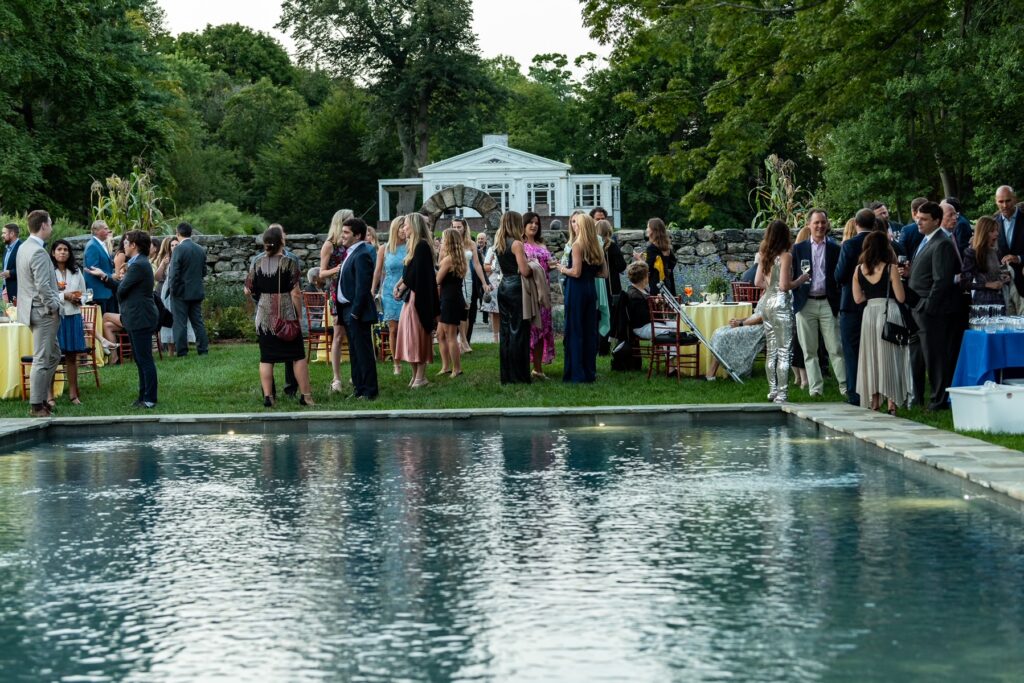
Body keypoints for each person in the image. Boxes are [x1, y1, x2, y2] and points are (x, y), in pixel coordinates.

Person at [88, 230, 160, 409]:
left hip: (140, 316)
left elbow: (121, 290)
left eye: (126, 243)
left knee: (144, 359)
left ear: (134, 245)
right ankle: (143, 396)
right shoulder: (136, 263)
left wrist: (119, 281)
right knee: (139, 358)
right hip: (136, 316)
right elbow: (122, 287)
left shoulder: (138, 265)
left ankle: (150, 398)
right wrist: (104, 277)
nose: (124, 246)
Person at [245, 225, 314, 407]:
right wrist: (299, 316)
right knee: (297, 356)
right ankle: (306, 396)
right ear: (282, 241)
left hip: (264, 316)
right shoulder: (289, 263)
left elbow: (247, 289)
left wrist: (262, 294)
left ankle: (269, 397)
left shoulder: (257, 263)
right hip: (285, 313)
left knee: (267, 357)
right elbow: (296, 293)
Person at [901, 201, 959, 411]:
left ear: (936, 220)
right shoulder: (925, 240)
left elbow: (942, 279)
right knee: (916, 354)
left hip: (930, 311)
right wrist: (910, 273)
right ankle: (917, 397)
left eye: (924, 219)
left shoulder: (942, 243)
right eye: (918, 218)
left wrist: (928, 305)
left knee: (934, 356)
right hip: (915, 307)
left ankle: (938, 400)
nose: (919, 222)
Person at [853, 231, 910, 415]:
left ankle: (874, 402)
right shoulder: (891, 268)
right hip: (889, 311)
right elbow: (901, 297)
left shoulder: (858, 270)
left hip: (869, 314)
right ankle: (892, 404)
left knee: (872, 357)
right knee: (891, 357)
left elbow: (858, 298)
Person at [791, 209, 846, 397]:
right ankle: (815, 389)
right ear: (809, 225)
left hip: (828, 302)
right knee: (809, 349)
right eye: (816, 223)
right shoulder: (798, 249)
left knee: (835, 348)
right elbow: (791, 278)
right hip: (806, 304)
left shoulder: (835, 249)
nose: (820, 226)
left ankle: (845, 387)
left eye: (823, 222)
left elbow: (840, 277)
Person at [16, 210, 61, 417]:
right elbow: (42, 286)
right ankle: (37, 405)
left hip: (30, 309)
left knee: (54, 355)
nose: (51, 227)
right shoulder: (38, 252)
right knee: (43, 358)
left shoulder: (23, 247)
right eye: (50, 224)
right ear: (43, 225)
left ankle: (42, 398)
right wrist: (53, 307)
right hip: (43, 311)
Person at [756, 219, 805, 403]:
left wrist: (771, 285)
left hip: (767, 302)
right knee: (785, 351)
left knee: (772, 350)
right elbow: (785, 286)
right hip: (781, 305)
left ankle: (772, 390)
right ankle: (782, 393)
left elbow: (757, 282)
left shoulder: (764, 255)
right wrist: (801, 279)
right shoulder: (785, 256)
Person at [394, 213, 439, 388]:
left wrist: (402, 287)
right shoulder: (414, 247)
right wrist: (399, 285)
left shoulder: (421, 246)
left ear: (413, 226)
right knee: (410, 336)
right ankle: (416, 377)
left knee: (417, 336)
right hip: (412, 298)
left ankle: (420, 377)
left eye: (405, 225)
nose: (403, 228)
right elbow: (409, 273)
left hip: (418, 299)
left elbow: (418, 275)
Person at [834, 208, 875, 405]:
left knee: (851, 351)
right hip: (875, 303)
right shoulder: (883, 244)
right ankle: (874, 392)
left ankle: (855, 394)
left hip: (850, 303)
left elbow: (839, 275)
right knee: (874, 350)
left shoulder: (850, 245)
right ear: (874, 224)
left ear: (856, 224)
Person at [337, 218, 379, 400]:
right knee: (354, 352)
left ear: (358, 235)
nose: (342, 236)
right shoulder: (351, 252)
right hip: (347, 309)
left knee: (363, 352)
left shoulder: (361, 254)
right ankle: (359, 389)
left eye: (346, 233)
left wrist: (354, 312)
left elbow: (363, 287)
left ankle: (370, 391)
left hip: (356, 311)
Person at [559, 212, 603, 383]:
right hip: (590, 288)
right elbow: (604, 273)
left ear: (583, 226)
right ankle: (589, 372)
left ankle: (576, 374)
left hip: (576, 290)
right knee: (589, 330)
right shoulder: (595, 246)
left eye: (576, 222)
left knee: (575, 330)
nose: (573, 225)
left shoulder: (577, 245)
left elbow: (575, 272)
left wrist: (561, 268)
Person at [496, 211, 533, 384]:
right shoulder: (517, 243)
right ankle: (519, 375)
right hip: (516, 288)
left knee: (505, 332)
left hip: (503, 286)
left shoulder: (499, 243)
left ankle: (507, 375)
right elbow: (524, 271)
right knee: (519, 330)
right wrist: (534, 266)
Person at [49, 240, 89, 406]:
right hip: (55, 317)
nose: (63, 252)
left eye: (66, 249)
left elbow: (86, 294)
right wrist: (64, 296)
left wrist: (79, 300)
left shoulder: (76, 271)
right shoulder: (49, 271)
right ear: (53, 253)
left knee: (72, 356)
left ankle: (73, 393)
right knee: (53, 357)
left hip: (73, 316)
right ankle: (49, 395)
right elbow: (46, 293)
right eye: (59, 249)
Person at [319, 209, 353, 392]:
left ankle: (355, 375)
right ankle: (336, 378)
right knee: (338, 336)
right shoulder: (330, 245)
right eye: (350, 219)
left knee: (354, 334)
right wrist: (338, 268)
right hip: (335, 292)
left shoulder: (352, 243)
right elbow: (321, 273)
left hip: (351, 291)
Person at [168, 222, 210, 357]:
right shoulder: (200, 249)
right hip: (196, 291)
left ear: (177, 233)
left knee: (180, 323)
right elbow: (204, 271)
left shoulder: (178, 249)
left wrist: (173, 290)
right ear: (191, 233)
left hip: (180, 292)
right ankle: (203, 350)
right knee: (198, 322)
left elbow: (174, 273)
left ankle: (182, 352)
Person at [372, 215, 407, 375]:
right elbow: (378, 272)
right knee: (393, 329)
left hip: (408, 290)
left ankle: (409, 356)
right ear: (395, 229)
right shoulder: (384, 249)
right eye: (401, 226)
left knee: (408, 327)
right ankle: (396, 363)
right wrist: (373, 290)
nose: (404, 230)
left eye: (405, 226)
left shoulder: (410, 247)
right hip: (389, 292)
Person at [523, 211, 556, 378]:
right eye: (530, 222)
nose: (534, 225)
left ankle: (538, 369)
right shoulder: (520, 245)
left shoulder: (542, 244)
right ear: (523, 225)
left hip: (544, 291)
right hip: (530, 291)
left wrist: (551, 264)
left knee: (542, 329)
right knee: (531, 330)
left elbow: (547, 264)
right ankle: (526, 367)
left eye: (536, 223)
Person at [451, 216, 489, 353]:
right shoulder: (448, 242)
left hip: (467, 279)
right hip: (453, 278)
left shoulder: (471, 244)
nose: (456, 229)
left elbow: (477, 265)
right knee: (455, 311)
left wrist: (484, 283)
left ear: (464, 227)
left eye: (459, 227)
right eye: (454, 227)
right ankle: (457, 341)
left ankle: (463, 341)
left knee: (465, 310)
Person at [963, 216, 1017, 310]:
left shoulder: (995, 251)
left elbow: (993, 273)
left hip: (1000, 301)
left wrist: (1003, 277)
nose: (996, 233)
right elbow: (965, 283)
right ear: (983, 233)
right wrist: (987, 284)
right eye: (992, 231)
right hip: (983, 304)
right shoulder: (972, 253)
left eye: (996, 230)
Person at [705, 301, 767, 380]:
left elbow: (762, 318)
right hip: (753, 324)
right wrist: (739, 320)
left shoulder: (774, 294)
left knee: (723, 336)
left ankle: (712, 373)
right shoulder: (766, 293)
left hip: (761, 328)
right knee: (719, 332)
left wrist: (741, 323)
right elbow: (755, 315)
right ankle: (713, 371)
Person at [436, 227, 468, 378]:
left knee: (450, 335)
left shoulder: (449, 260)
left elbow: (437, 280)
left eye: (443, 239)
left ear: (448, 241)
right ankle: (446, 366)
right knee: (440, 334)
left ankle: (457, 368)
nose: (441, 242)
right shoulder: (455, 257)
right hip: (452, 297)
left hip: (450, 299)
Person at [597, 218, 626, 354]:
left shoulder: (593, 246)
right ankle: (604, 347)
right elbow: (621, 266)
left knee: (598, 316)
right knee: (609, 317)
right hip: (611, 287)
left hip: (597, 285)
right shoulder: (612, 246)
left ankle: (597, 346)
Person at [994, 185, 1024, 296]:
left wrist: (1019, 258)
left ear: (1015, 199)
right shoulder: (993, 223)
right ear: (996, 202)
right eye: (1000, 202)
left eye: (1008, 201)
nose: (1005, 205)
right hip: (1001, 287)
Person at [83, 220, 116, 314]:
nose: (108, 231)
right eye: (105, 228)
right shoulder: (92, 246)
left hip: (105, 292)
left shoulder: (101, 244)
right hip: (98, 293)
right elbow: (93, 269)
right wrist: (111, 276)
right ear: (96, 230)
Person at [645, 217, 677, 296]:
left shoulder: (652, 248)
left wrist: (640, 260)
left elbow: (647, 268)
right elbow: (672, 263)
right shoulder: (666, 247)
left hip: (657, 285)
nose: (647, 229)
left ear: (654, 230)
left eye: (648, 227)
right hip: (668, 283)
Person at [481, 236, 501, 342]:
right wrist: (494, 266)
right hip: (495, 280)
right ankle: (495, 337)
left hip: (508, 279)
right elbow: (485, 266)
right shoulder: (492, 249)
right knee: (495, 311)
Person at [1, 223, 21, 303]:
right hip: (6, 288)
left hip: (17, 291)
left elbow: (26, 269)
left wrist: (10, 273)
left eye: (4, 233)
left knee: (15, 315)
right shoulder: (7, 248)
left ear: (12, 234)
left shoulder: (21, 247)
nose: (2, 235)